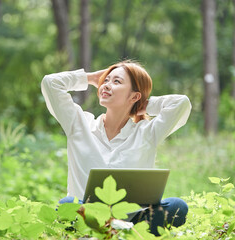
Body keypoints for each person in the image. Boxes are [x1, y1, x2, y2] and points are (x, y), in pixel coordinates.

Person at [41, 60, 192, 236]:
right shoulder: (78, 123)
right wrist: (90, 78)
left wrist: (145, 105)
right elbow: (50, 83)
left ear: (134, 96)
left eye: (116, 82)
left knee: (177, 207)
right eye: (106, 80)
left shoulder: (147, 133)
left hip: (134, 218)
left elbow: (181, 104)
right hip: (88, 215)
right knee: (68, 204)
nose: (105, 85)